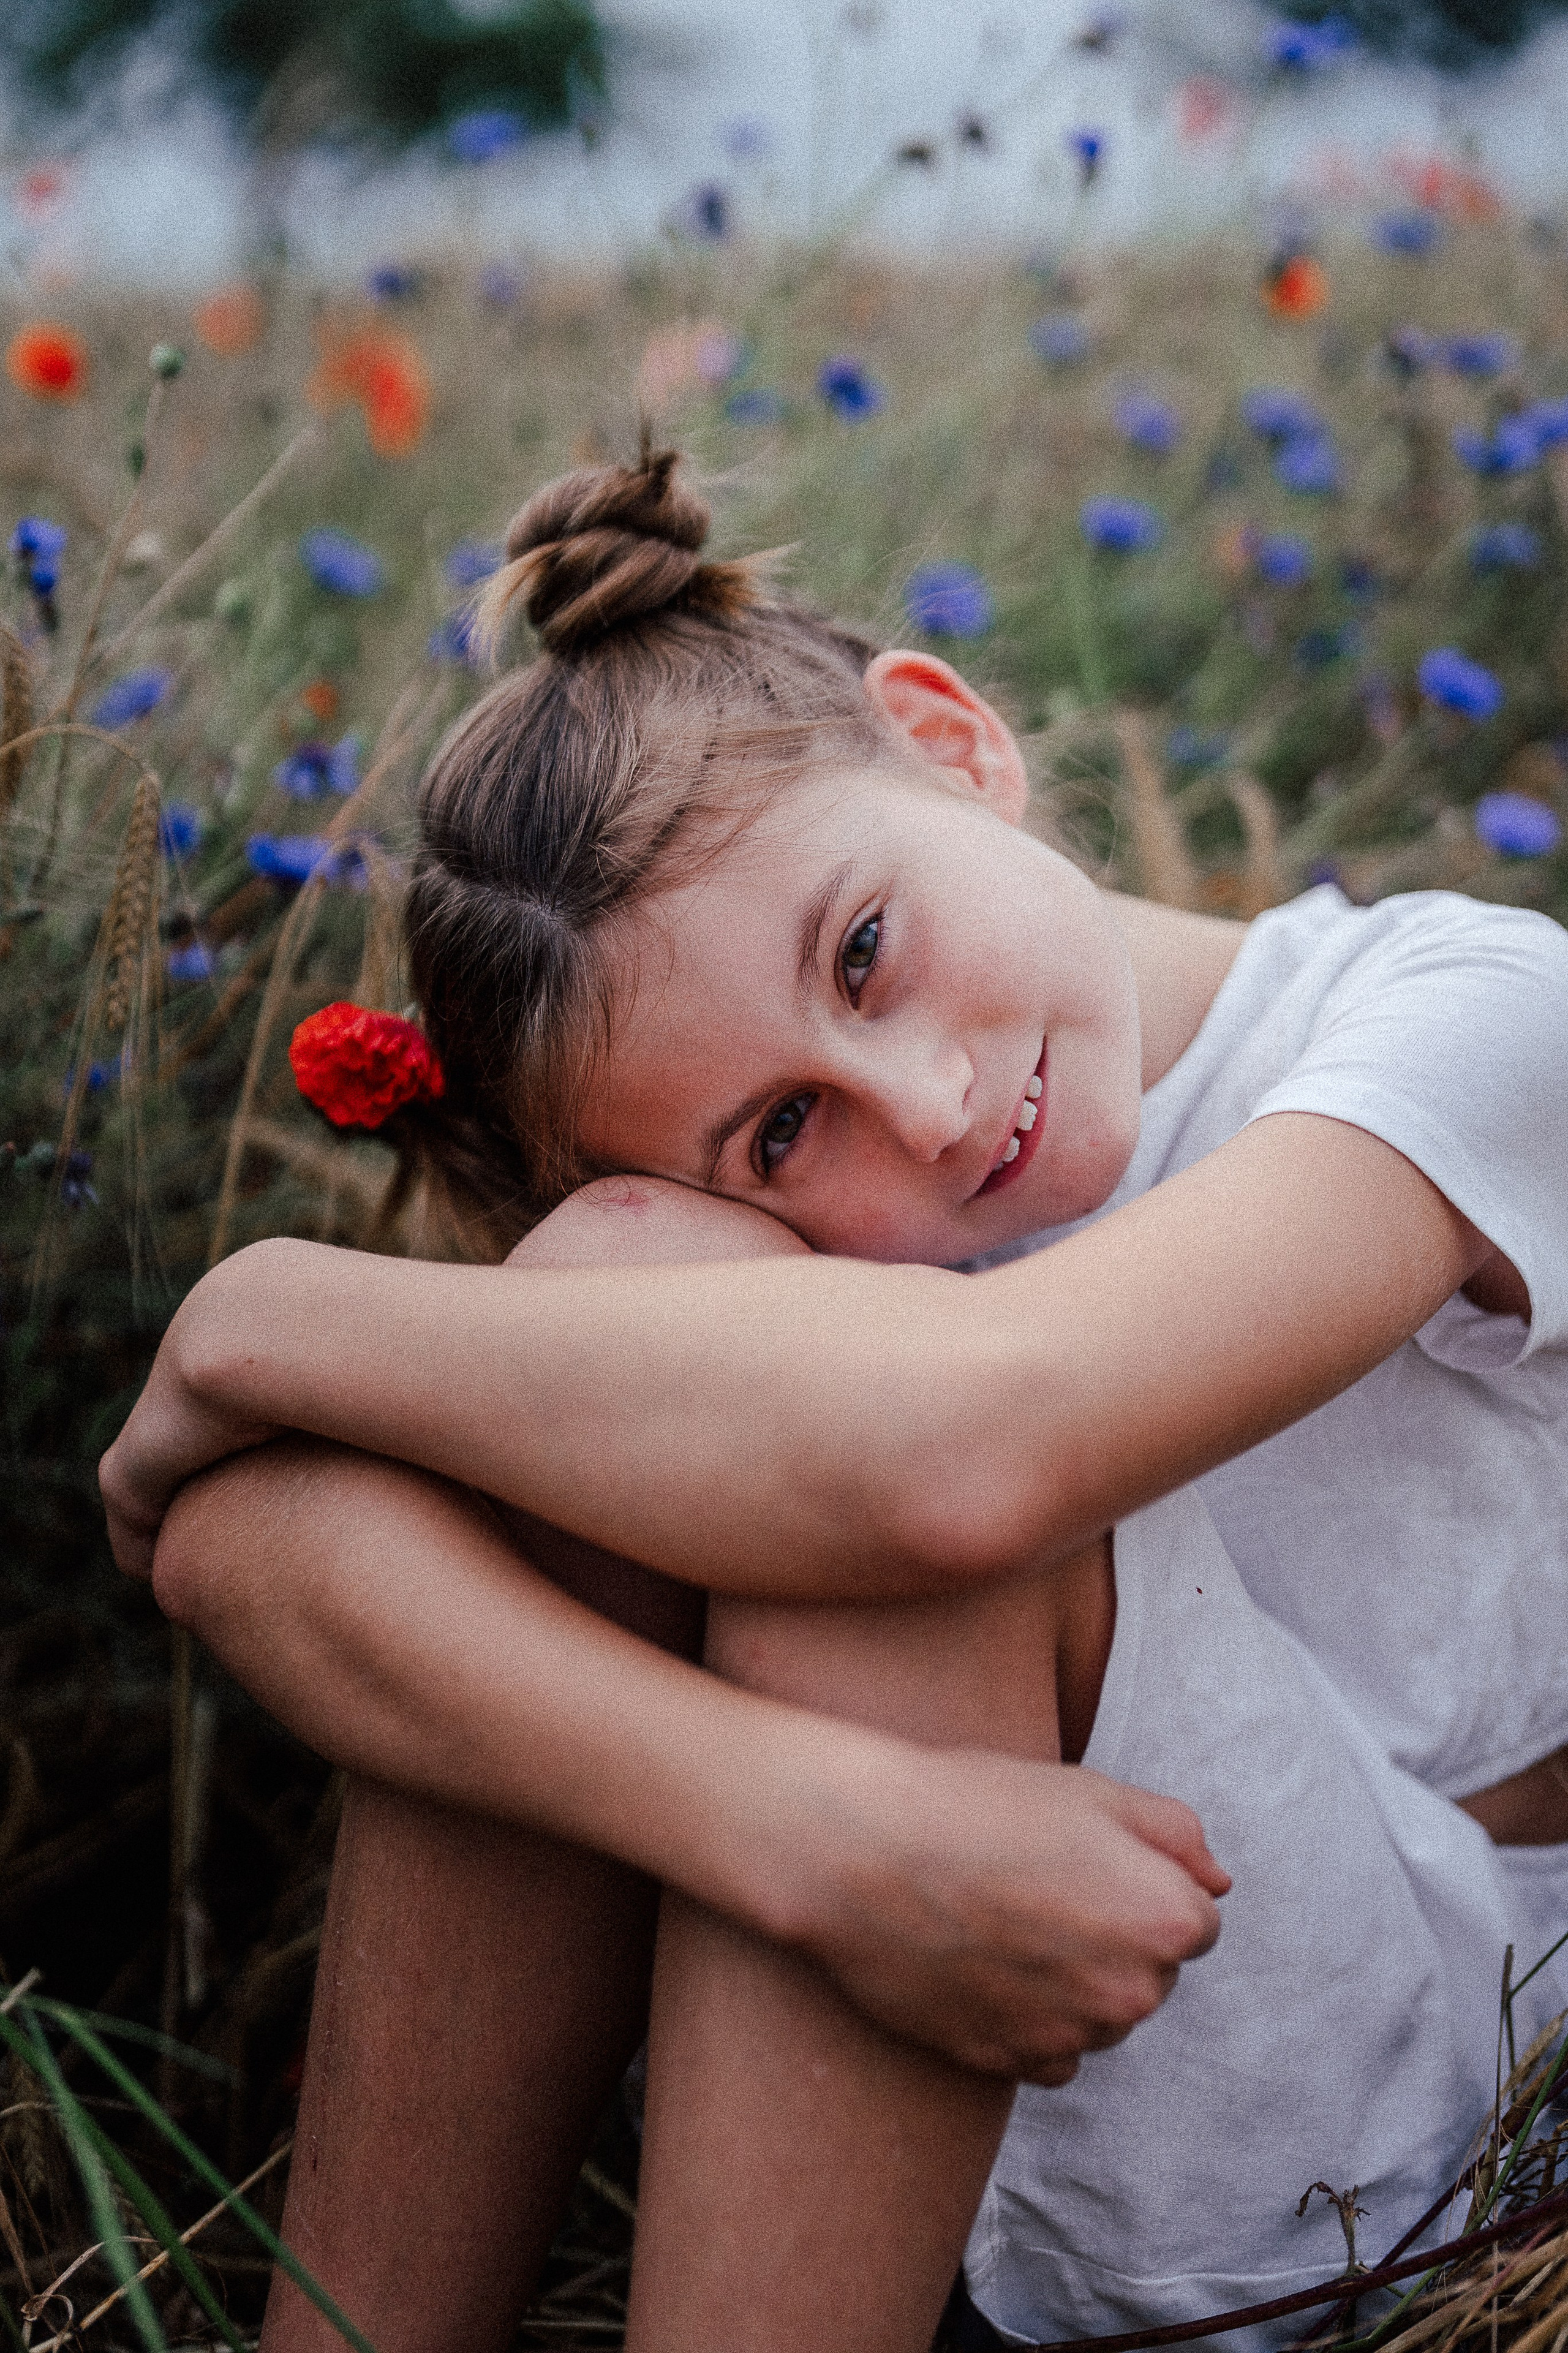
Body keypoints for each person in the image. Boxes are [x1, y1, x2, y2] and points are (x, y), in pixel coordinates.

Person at [99, 447, 1568, 2353]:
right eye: (785, 1131)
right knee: (653, 1319)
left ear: (950, 744)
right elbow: (235, 1539)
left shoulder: (1469, 1015)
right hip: (980, 1981)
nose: (933, 1105)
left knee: (838, 1467)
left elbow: (965, 1458)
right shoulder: (795, 1263)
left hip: (1432, 2109)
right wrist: (800, 1823)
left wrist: (258, 1308)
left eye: (864, 951)